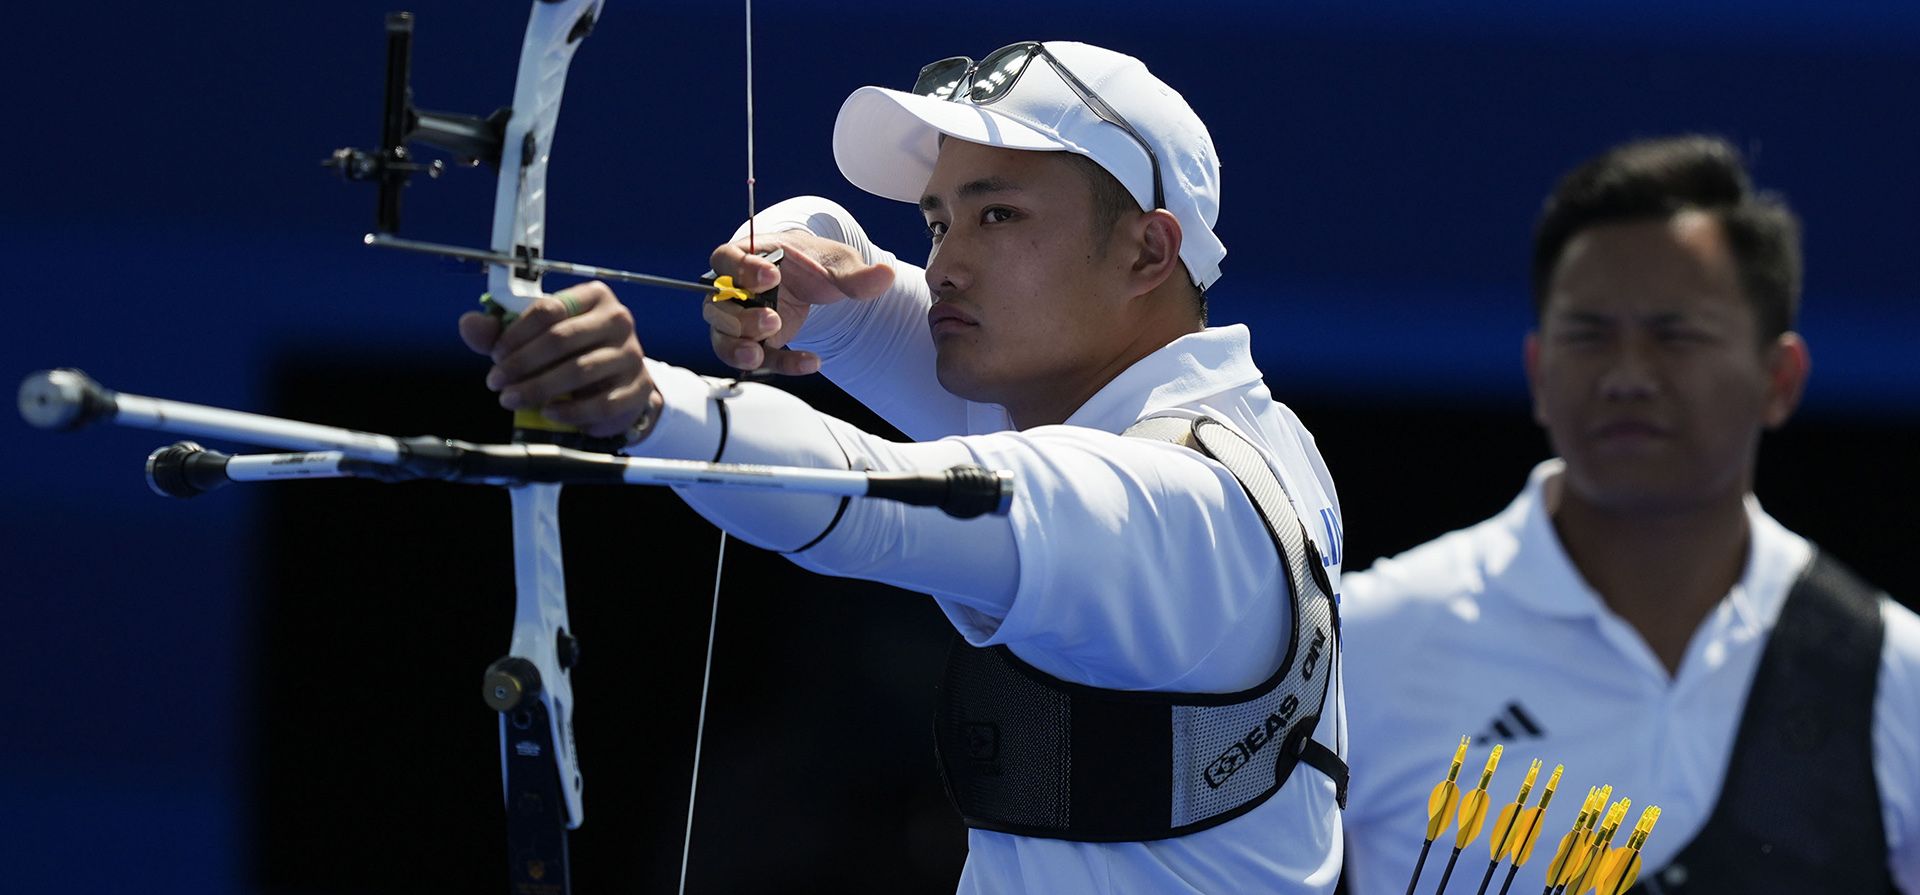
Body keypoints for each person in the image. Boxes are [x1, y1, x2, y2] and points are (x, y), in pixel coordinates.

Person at [461, 42, 1349, 892]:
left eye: (997, 215)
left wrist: (645, 405)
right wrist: (788, 257)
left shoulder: (1175, 508)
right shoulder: (1242, 423)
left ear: (1148, 251)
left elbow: (870, 498)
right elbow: (855, 282)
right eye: (938, 221)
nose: (946, 261)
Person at [1338, 135, 1920, 894]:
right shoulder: (1360, 643)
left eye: (1675, 335)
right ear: (1539, 373)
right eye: (1589, 334)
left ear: (1780, 377)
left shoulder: (1896, 673)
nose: (1627, 374)